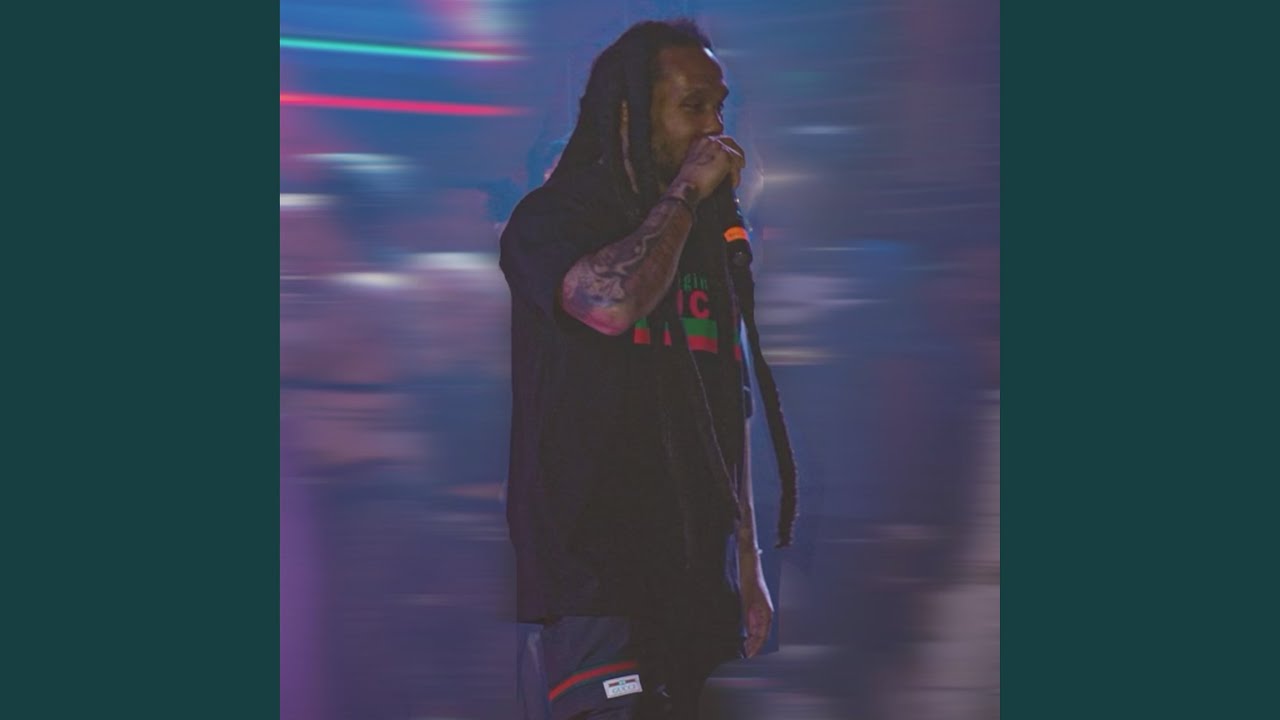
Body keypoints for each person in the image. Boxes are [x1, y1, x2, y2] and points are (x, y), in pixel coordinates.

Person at [499, 19, 798, 719]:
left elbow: (729, 402)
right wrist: (688, 192)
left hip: (695, 580)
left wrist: (748, 562)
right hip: (596, 581)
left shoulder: (702, 240)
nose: (714, 127)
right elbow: (610, 306)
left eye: (719, 106)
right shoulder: (553, 219)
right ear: (631, 112)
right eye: (693, 105)